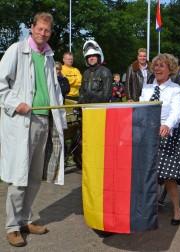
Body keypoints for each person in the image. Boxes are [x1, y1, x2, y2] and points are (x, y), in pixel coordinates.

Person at [0, 12, 66, 247]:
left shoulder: (48, 56)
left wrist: (60, 118)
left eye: (47, 30)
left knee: (34, 177)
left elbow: (55, 90)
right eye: (39, 29)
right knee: (19, 177)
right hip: (22, 122)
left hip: (44, 120)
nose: (43, 33)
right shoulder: (16, 50)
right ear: (32, 28)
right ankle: (12, 227)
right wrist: (14, 103)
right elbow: (1, 84)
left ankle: (25, 220)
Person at [140, 53, 180, 225]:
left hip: (167, 135)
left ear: (170, 69)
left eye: (162, 66)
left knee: (168, 175)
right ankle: (148, 205)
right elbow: (142, 108)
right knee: (147, 173)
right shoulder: (147, 88)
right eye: (156, 65)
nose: (157, 68)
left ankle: (177, 210)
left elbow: (176, 112)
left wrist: (167, 125)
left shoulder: (176, 89)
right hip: (148, 135)